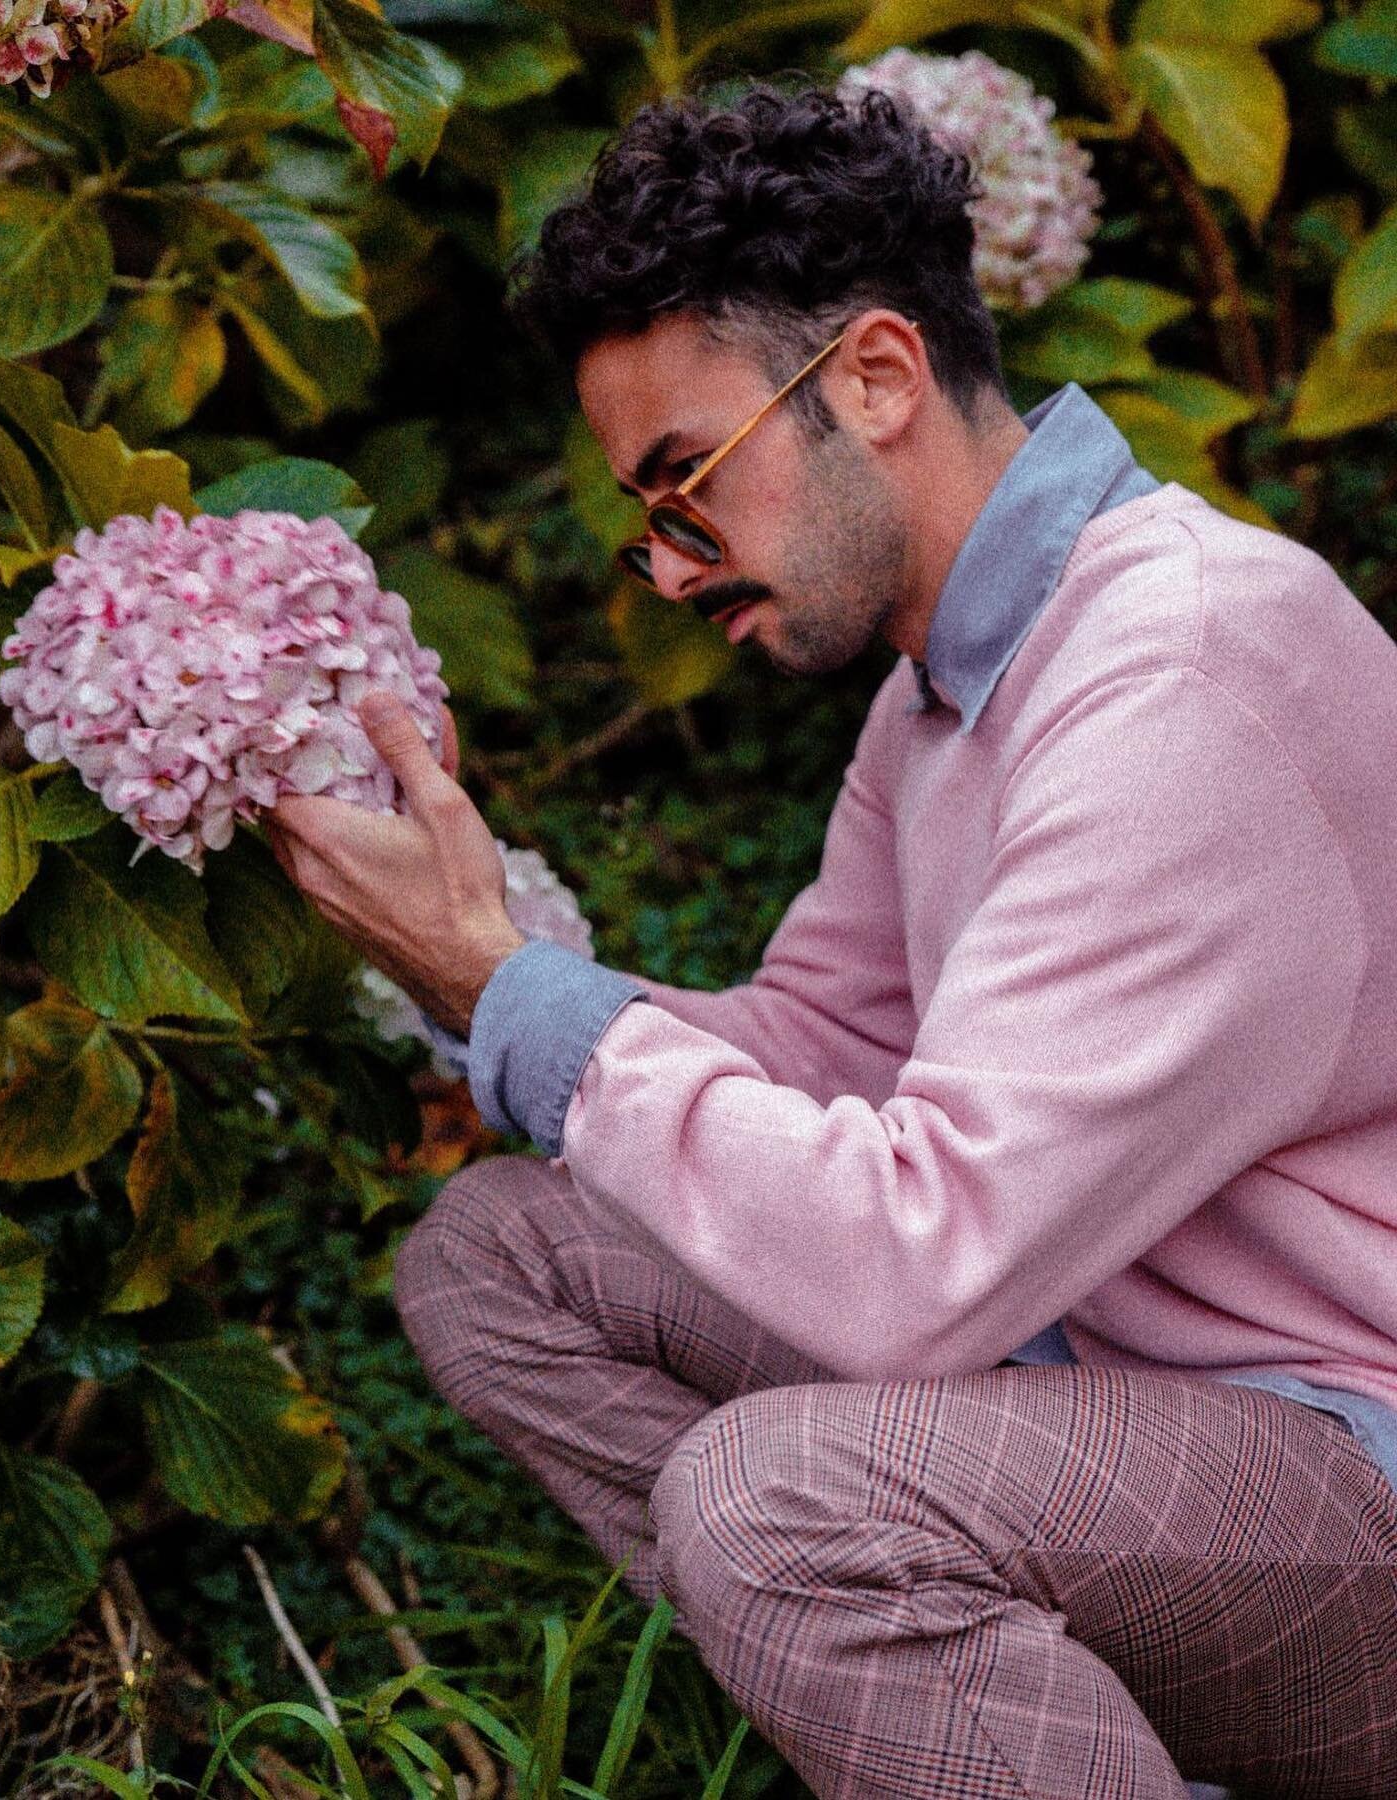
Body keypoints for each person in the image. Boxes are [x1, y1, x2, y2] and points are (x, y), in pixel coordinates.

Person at [265, 83, 1397, 1800]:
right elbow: (823, 1051)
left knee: (782, 1501)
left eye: (686, 485)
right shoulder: (952, 691)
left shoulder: (1178, 673)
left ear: (873, 377)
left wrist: (524, 1001)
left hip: (1351, 1460)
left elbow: (910, 1263)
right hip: (1114, 1395)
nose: (664, 568)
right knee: (505, 1256)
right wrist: (468, 968)